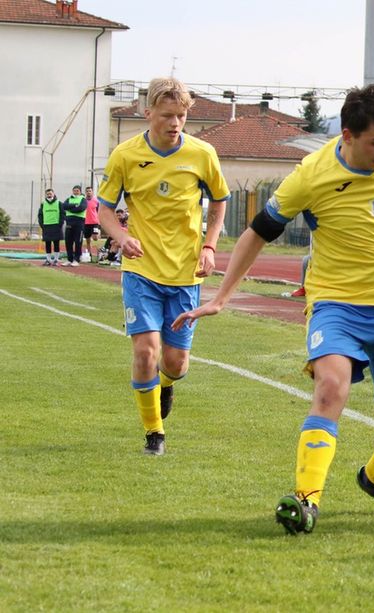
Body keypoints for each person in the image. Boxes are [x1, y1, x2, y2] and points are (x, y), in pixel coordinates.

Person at [171, 84, 374, 535]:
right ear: (347, 134)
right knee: (331, 386)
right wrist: (221, 297)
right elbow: (256, 233)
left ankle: (373, 481)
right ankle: (307, 500)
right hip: (335, 306)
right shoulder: (310, 175)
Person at [97, 77, 230, 456]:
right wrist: (121, 238)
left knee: (176, 362)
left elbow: (219, 202)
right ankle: (154, 433)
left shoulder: (203, 153)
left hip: (186, 272)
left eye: (183, 116)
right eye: (168, 115)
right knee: (145, 352)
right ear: (148, 112)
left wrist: (209, 245)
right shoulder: (125, 155)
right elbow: (105, 209)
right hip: (141, 271)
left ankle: (166, 384)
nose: (176, 123)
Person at [37, 188, 64, 267]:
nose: (49, 195)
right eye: (48, 194)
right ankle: (48, 260)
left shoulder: (59, 203)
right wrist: (42, 224)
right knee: (47, 243)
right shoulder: (43, 204)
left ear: (53, 194)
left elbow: (63, 214)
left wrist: (60, 224)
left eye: (50, 193)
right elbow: (40, 215)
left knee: (56, 243)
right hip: (46, 225)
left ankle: (56, 260)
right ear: (46, 195)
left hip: (56, 225)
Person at [62, 185, 87, 266]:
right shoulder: (69, 199)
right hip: (69, 222)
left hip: (79, 222)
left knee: (78, 241)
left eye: (77, 191)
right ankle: (69, 259)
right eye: (74, 190)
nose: (76, 192)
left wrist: (71, 208)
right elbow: (64, 206)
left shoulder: (83, 199)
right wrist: (74, 205)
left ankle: (76, 259)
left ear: (80, 191)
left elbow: (81, 208)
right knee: (68, 241)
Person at [82, 186, 100, 262]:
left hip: (94, 222)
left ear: (92, 192)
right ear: (85, 192)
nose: (88, 192)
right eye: (87, 191)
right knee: (88, 240)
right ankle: (89, 254)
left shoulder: (96, 201)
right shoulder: (83, 201)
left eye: (90, 191)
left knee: (95, 238)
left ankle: (99, 252)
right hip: (86, 222)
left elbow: (99, 211)